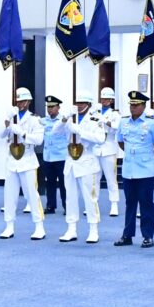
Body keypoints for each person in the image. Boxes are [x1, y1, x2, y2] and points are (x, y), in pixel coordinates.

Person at [52, 93, 105, 243]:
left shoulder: (96, 118)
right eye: (78, 102)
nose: (79, 105)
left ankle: (93, 230)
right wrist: (64, 118)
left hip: (87, 160)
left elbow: (100, 138)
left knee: (90, 198)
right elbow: (55, 131)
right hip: (71, 161)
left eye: (82, 102)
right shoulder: (70, 116)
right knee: (70, 198)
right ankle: (71, 229)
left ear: (89, 104)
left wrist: (79, 131)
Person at [114, 91, 154, 248]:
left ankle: (148, 236)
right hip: (129, 169)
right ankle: (127, 235)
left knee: (146, 203)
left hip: (145, 170)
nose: (133, 108)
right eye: (131, 105)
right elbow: (120, 141)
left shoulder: (152, 123)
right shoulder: (124, 122)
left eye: (136, 105)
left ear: (143, 106)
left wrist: (148, 157)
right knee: (130, 203)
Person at [0, 87, 46, 240]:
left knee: (32, 195)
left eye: (23, 101)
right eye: (18, 101)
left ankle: (39, 226)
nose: (20, 104)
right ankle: (9, 226)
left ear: (28, 102)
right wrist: (7, 122)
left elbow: (39, 140)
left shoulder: (34, 119)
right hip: (12, 161)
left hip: (27, 160)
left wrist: (22, 132)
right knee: (9, 195)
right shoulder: (12, 116)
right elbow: (1, 135)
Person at [96, 87, 122, 217]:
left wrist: (105, 121)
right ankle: (93, 203)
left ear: (111, 100)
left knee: (111, 178)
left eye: (107, 99)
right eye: (103, 98)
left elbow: (117, 127)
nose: (104, 101)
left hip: (109, 148)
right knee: (94, 179)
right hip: (96, 149)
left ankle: (114, 204)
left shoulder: (115, 114)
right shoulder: (94, 111)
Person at [40, 95, 67, 214]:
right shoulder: (43, 121)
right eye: (48, 107)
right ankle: (51, 206)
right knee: (49, 182)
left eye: (52, 107)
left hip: (61, 156)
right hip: (48, 156)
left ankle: (67, 206)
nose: (49, 109)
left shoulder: (64, 121)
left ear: (58, 107)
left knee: (63, 183)